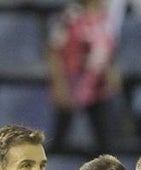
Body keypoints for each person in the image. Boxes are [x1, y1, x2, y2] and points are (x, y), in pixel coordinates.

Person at [47, 0, 127, 153]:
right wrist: (60, 85)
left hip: (98, 87)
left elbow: (108, 50)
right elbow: (54, 51)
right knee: (60, 136)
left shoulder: (106, 20)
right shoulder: (69, 16)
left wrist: (112, 73)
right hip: (72, 84)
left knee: (104, 140)